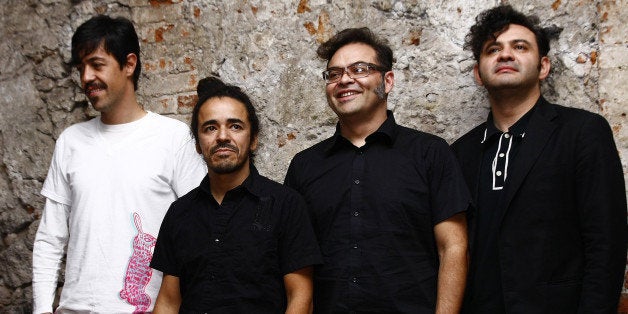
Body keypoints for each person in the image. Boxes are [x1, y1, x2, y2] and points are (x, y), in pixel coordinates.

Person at [452, 5, 627, 313]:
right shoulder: (461, 151)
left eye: (520, 47)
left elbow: (606, 246)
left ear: (543, 66)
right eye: (493, 49)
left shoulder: (582, 132)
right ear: (479, 73)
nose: (505, 55)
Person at [284, 27, 471, 313]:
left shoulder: (430, 153)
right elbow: (297, 263)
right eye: (334, 74)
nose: (345, 79)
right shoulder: (304, 166)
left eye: (359, 69)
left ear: (388, 80)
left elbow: (453, 248)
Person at [32, 15, 206, 313]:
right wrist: (42, 309)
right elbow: (51, 238)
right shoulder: (70, 142)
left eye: (97, 65)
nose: (86, 77)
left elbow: (201, 231)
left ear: (129, 64)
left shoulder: (173, 139)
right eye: (81, 68)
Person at [150, 76, 322, 313]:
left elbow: (301, 298)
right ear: (198, 144)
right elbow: (168, 301)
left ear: (253, 139)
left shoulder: (286, 205)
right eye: (210, 127)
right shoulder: (180, 213)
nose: (222, 136)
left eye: (235, 126)